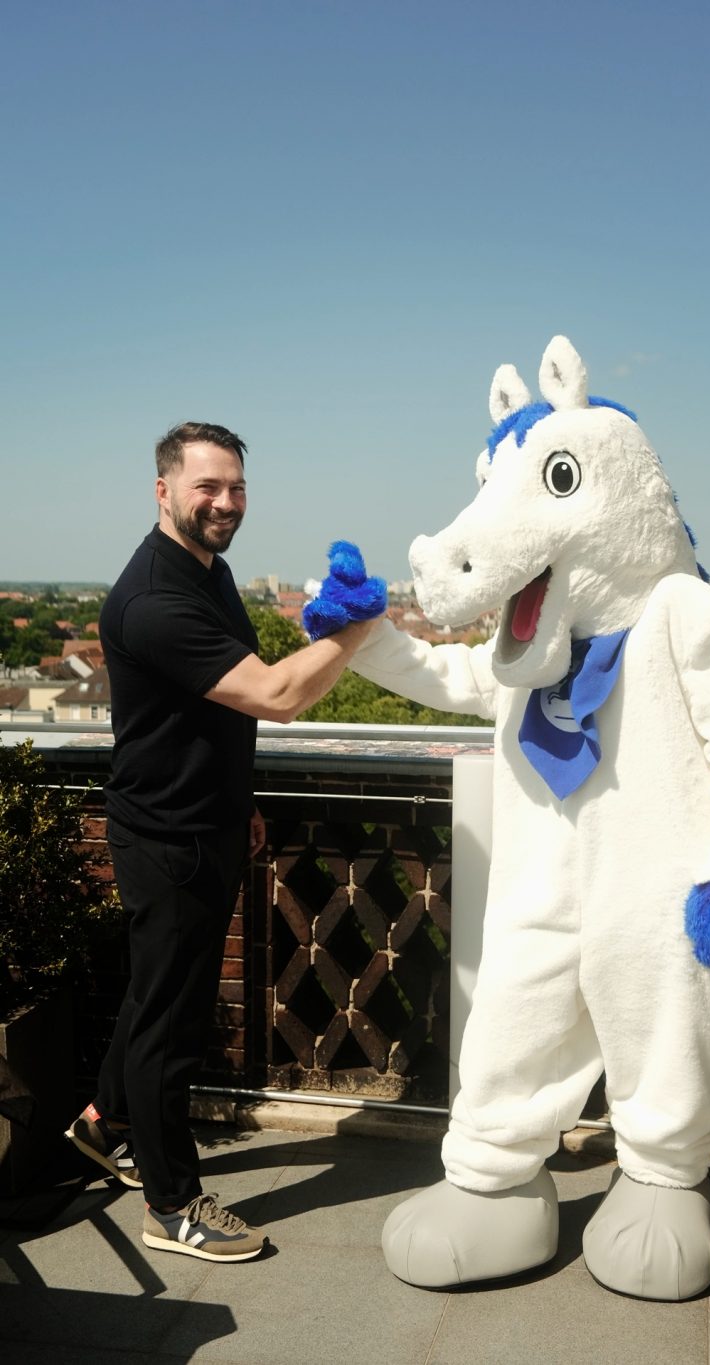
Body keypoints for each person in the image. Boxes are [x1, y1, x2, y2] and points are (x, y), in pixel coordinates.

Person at [65, 421, 380, 1263]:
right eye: (208, 486)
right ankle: (172, 1207)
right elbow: (275, 693)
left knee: (155, 995)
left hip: (202, 818)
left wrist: (236, 797)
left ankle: (104, 1120)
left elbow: (219, 700)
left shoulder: (212, 570)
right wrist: (360, 629)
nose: (226, 502)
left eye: (236, 486)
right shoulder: (152, 600)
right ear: (163, 490)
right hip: (167, 838)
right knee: (172, 1021)